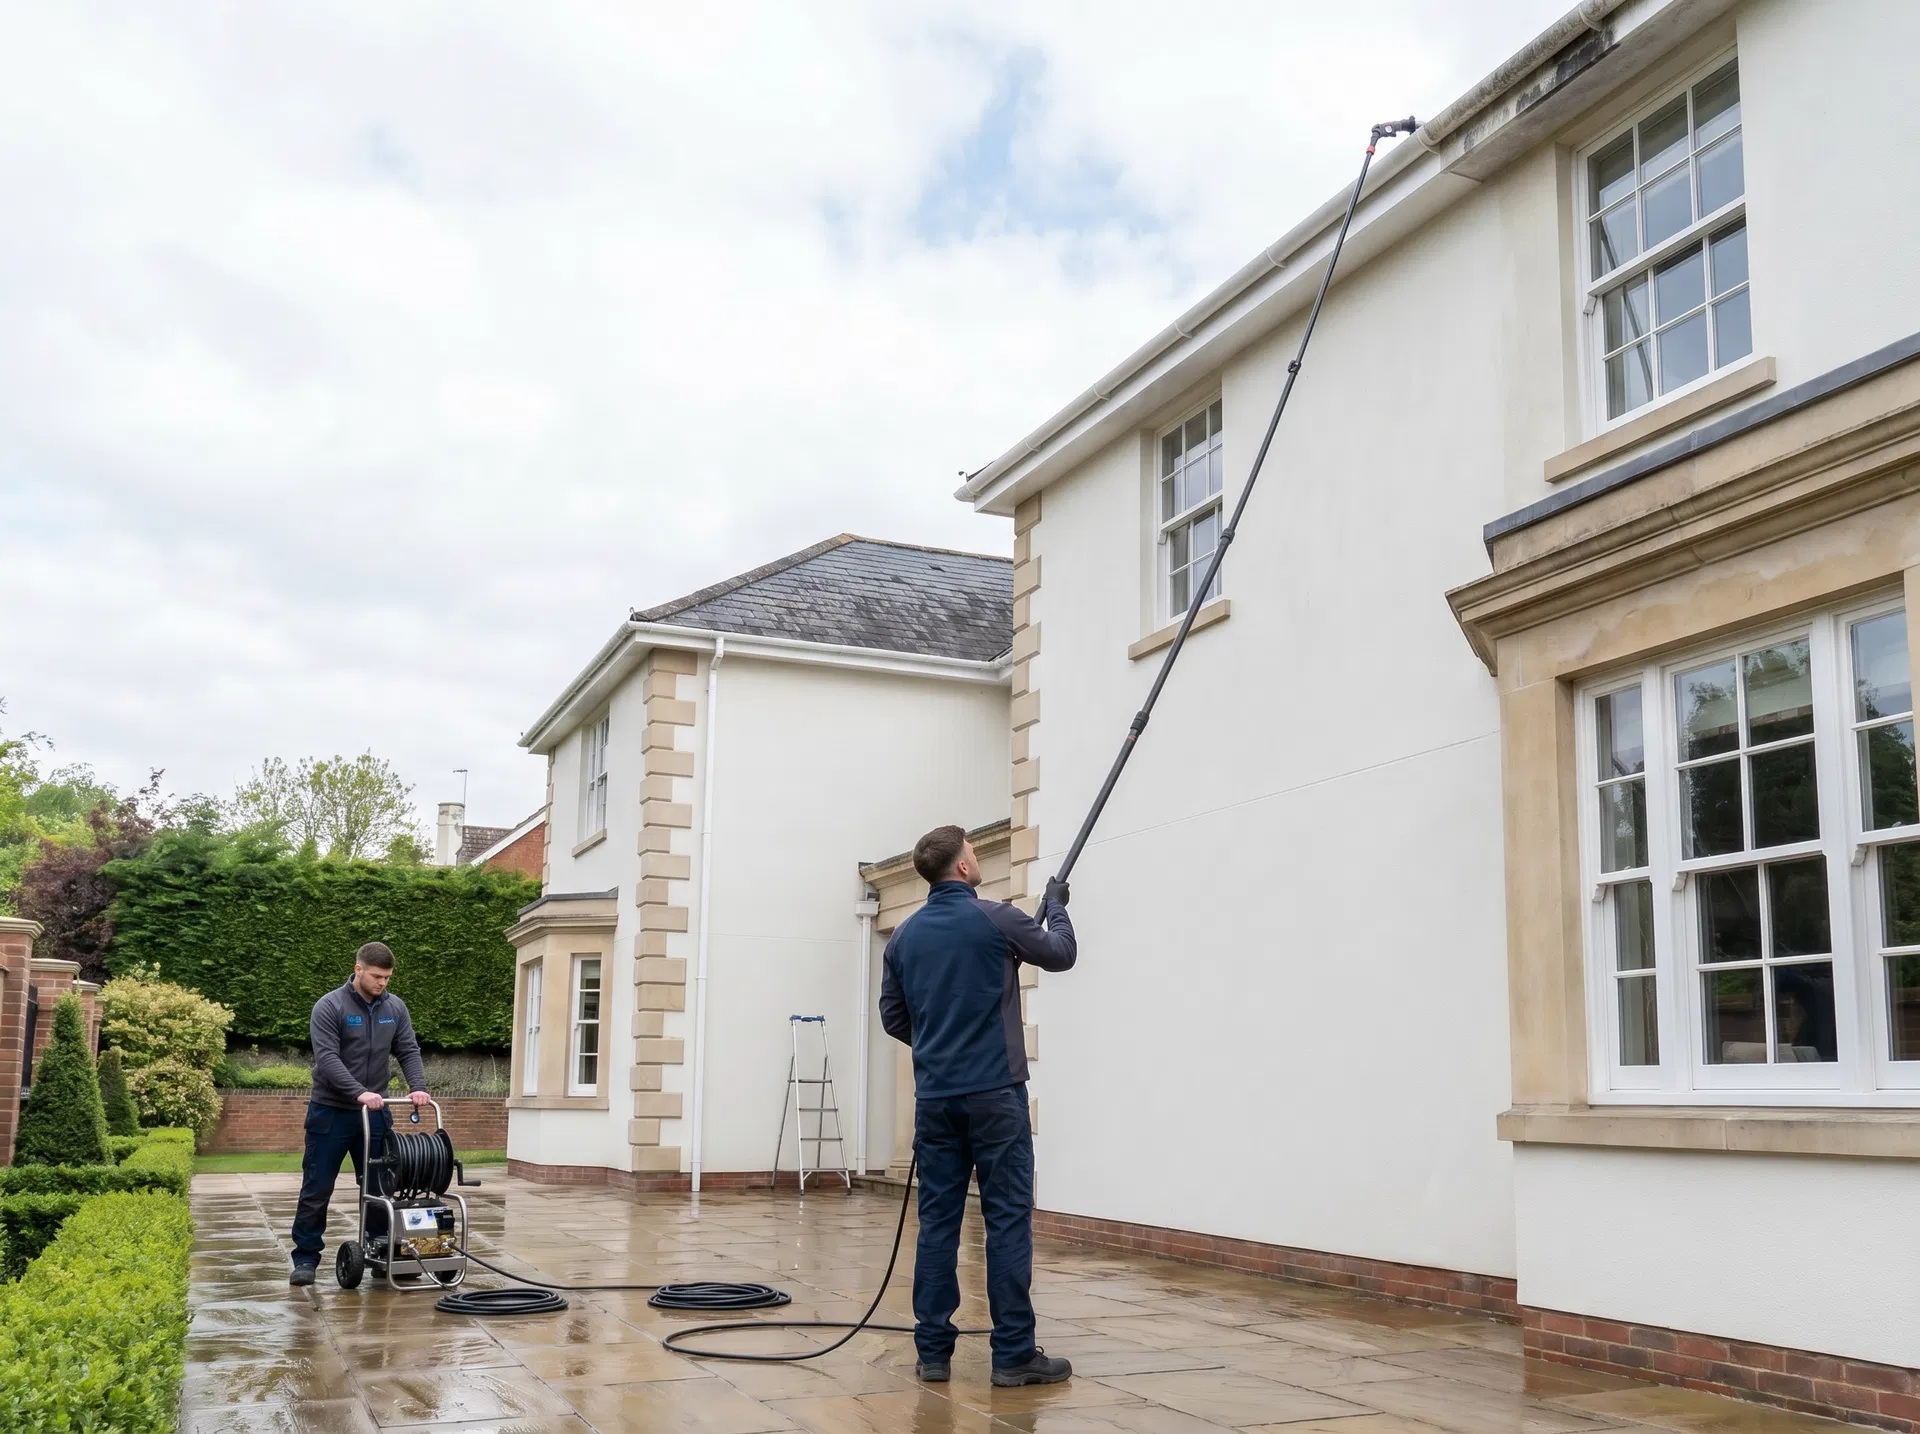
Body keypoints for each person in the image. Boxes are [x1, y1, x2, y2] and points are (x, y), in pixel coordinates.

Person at [878, 824, 1078, 1387]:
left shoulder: (903, 937)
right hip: (995, 1096)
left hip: (937, 1101)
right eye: (972, 850)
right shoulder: (997, 918)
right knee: (1007, 1219)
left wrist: (940, 1041)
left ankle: (934, 1353)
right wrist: (1056, 907)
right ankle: (1013, 1354)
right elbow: (1060, 954)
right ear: (962, 867)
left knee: (938, 1222)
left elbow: (894, 1018)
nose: (975, 856)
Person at [288, 941, 431, 1286]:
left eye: (387, 978)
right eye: (377, 976)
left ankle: (381, 1253)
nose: (383, 983)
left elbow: (408, 1049)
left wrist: (418, 1086)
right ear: (358, 970)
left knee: (380, 1188)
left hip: (375, 1114)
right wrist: (359, 1092)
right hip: (332, 1112)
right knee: (318, 1187)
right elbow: (327, 1059)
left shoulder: (394, 1008)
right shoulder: (330, 1006)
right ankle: (305, 1259)